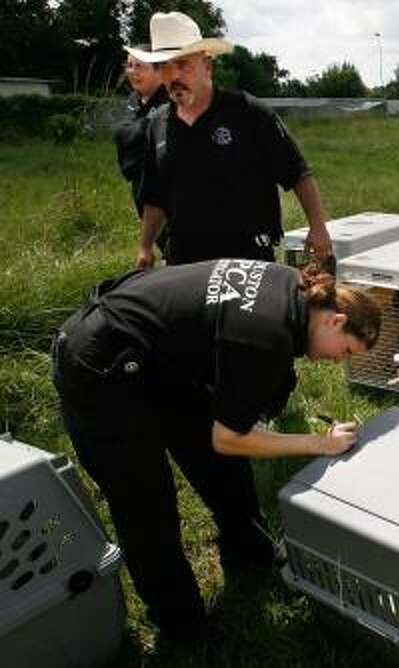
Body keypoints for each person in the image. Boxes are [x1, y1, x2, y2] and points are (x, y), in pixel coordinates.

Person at [51, 260, 380, 643]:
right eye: (345, 351)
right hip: (98, 367)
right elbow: (230, 437)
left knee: (217, 462)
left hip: (155, 356)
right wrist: (318, 444)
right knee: (145, 502)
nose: (337, 361)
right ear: (336, 321)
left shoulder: (293, 286)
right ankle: (182, 625)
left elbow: (224, 434)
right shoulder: (266, 334)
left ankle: (248, 548)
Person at [127, 12, 332, 268]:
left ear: (208, 66)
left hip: (248, 259)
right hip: (184, 262)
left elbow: (298, 173)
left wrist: (318, 228)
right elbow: (155, 197)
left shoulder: (248, 112)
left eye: (183, 65)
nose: (174, 76)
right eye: (166, 66)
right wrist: (145, 247)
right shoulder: (156, 125)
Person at [114, 48, 170, 249]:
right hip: (141, 187)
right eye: (129, 65)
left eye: (140, 66)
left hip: (169, 195)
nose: (133, 72)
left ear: (159, 72)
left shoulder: (171, 101)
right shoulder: (133, 101)